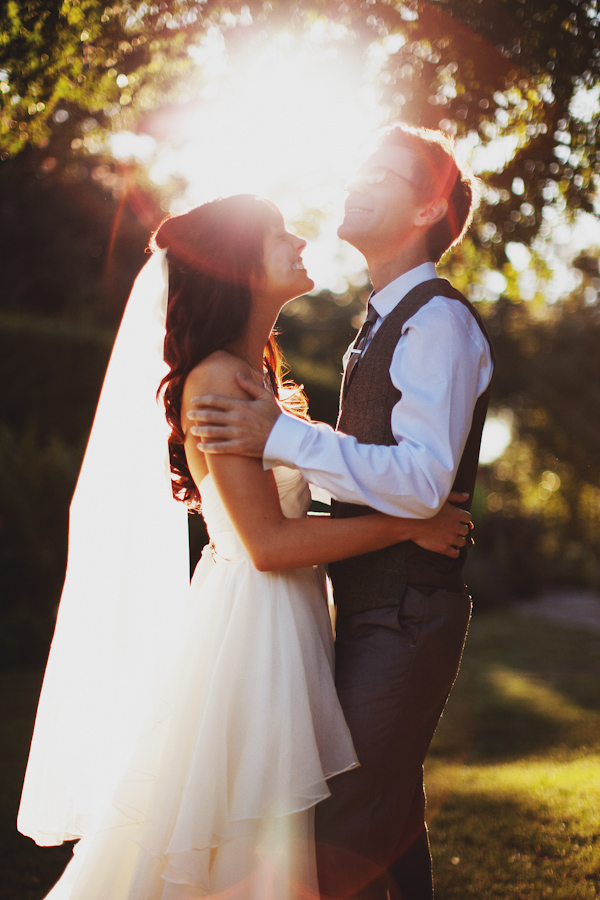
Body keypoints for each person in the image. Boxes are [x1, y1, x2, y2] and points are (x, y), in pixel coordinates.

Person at [18, 193, 472, 900]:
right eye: (275, 235)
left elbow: (300, 495)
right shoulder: (218, 380)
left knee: (293, 837)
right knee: (251, 843)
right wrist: (410, 524)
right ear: (237, 268)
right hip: (254, 629)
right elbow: (266, 543)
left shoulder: (255, 374)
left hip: (284, 618)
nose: (298, 240)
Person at [186, 126, 495, 900]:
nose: (356, 182)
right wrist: (313, 454)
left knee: (348, 828)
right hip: (361, 606)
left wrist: (285, 435)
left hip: (407, 611)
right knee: (382, 821)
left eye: (382, 175)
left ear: (427, 208)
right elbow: (383, 489)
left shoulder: (436, 323)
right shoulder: (382, 322)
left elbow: (423, 479)